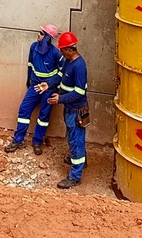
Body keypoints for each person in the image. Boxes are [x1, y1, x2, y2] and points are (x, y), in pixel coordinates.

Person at [3, 25, 61, 156]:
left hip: (48, 89)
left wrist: (50, 84)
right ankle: (18, 140)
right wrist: (29, 79)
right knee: (24, 109)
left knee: (44, 116)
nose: (38, 35)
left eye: (41, 33)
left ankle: (37, 142)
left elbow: (62, 73)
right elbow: (30, 64)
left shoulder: (56, 53)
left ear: (47, 38)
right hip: (34, 86)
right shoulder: (33, 47)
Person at [47, 31, 88, 189]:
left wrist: (60, 99)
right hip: (69, 108)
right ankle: (81, 161)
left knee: (76, 140)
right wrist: (48, 84)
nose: (61, 53)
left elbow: (79, 92)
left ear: (69, 49)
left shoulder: (79, 66)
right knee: (73, 137)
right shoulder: (67, 61)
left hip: (76, 109)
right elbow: (60, 76)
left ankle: (75, 176)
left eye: (62, 50)